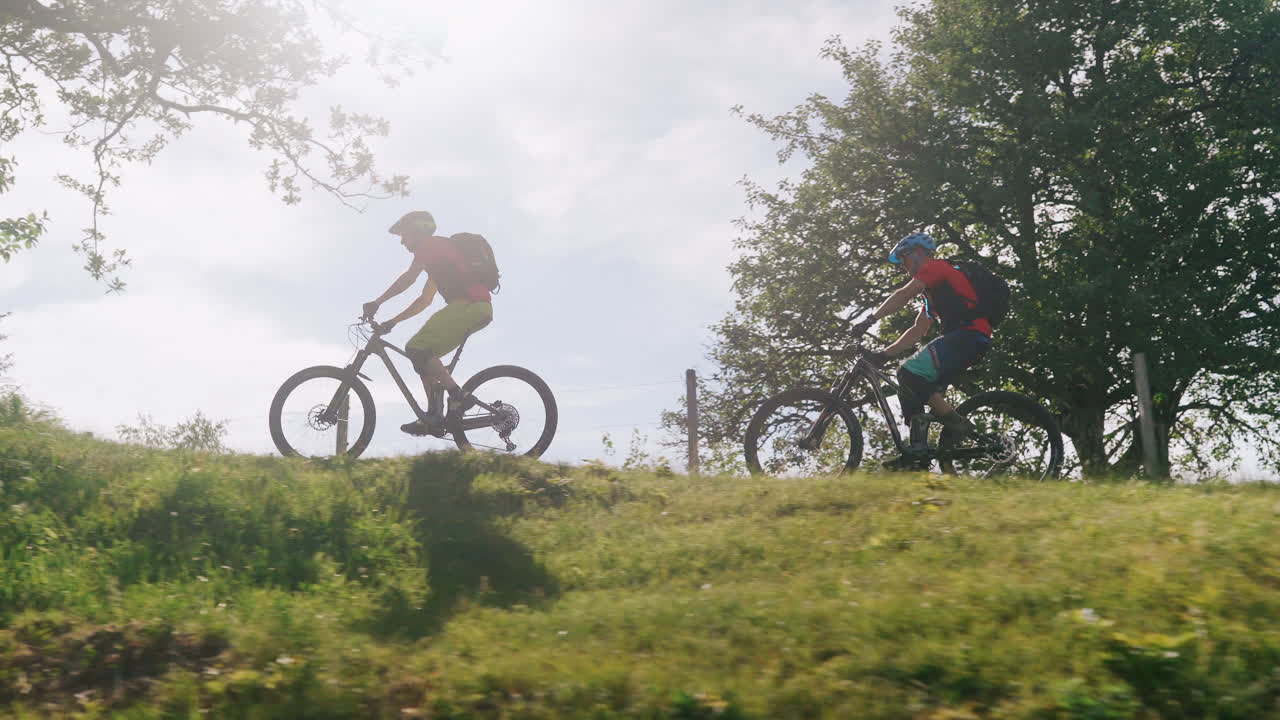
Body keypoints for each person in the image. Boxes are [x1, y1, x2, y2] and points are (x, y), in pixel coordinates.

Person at [849, 233, 991, 465]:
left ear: (917, 254)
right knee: (910, 384)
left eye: (903, 258)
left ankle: (958, 427)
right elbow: (918, 330)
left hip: (968, 335)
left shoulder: (937, 267)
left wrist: (869, 321)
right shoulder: (934, 291)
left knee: (908, 373)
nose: (903, 266)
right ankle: (918, 454)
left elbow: (903, 295)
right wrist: (884, 354)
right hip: (967, 339)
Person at [361, 211, 493, 436]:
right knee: (422, 356)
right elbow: (424, 300)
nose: (403, 242)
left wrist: (377, 302)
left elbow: (409, 278)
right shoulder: (439, 260)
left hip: (470, 306)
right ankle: (434, 416)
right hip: (474, 309)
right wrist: (392, 321)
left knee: (416, 348)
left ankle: (457, 394)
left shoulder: (431, 246)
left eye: (405, 235)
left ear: (418, 231)